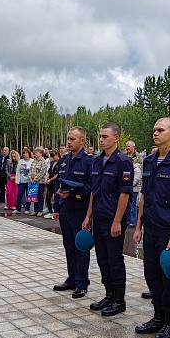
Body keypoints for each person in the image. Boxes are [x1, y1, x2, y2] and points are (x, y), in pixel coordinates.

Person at [133, 118, 170, 338]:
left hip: (169, 231)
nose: (155, 133)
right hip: (150, 228)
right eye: (154, 130)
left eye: (160, 130)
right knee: (152, 274)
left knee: (169, 276)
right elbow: (144, 196)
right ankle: (157, 316)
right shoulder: (149, 161)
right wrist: (138, 226)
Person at [83, 123, 133, 313]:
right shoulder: (97, 161)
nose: (101, 139)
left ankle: (119, 301)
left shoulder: (123, 162)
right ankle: (109, 295)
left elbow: (124, 194)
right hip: (99, 217)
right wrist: (88, 216)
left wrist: (117, 221)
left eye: (105, 136)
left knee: (114, 259)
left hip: (114, 219)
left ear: (116, 138)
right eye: (100, 136)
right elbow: (94, 192)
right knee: (102, 258)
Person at [53, 127, 93, 299]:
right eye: (68, 139)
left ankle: (82, 283)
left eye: (72, 139)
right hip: (65, 210)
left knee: (80, 248)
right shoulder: (64, 160)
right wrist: (56, 207)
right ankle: (72, 279)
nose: (68, 142)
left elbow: (91, 188)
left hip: (80, 210)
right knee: (69, 247)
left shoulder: (89, 161)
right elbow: (58, 184)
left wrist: (74, 194)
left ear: (82, 141)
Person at [12, 147, 33, 214]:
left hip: (29, 181)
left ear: (29, 154)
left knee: (28, 195)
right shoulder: (21, 161)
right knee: (19, 194)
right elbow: (17, 171)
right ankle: (18, 208)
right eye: (23, 153)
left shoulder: (32, 161)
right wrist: (17, 180)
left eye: (26, 153)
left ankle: (27, 208)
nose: (25, 154)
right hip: (21, 181)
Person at [29, 147, 47, 216]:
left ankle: (40, 210)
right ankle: (35, 210)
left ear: (41, 153)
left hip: (40, 182)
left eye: (36, 152)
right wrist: (30, 178)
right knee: (34, 196)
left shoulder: (43, 162)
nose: (35, 154)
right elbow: (30, 170)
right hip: (33, 182)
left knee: (40, 196)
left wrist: (35, 179)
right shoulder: (34, 161)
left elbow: (42, 172)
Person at [44, 150, 60, 219]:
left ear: (57, 155)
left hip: (56, 183)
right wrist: (47, 178)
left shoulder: (60, 163)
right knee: (48, 197)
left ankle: (56, 211)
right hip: (50, 183)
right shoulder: (52, 163)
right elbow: (49, 171)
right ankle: (50, 211)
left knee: (56, 198)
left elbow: (57, 174)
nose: (51, 158)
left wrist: (51, 179)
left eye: (53, 156)